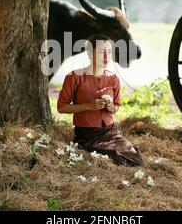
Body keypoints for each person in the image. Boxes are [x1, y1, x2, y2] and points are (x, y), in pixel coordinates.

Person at [57, 34, 143, 166]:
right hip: (87, 135)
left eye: (109, 52)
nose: (106, 57)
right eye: (102, 52)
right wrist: (88, 106)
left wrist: (111, 108)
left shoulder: (113, 78)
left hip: (111, 132)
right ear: (90, 54)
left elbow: (117, 106)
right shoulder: (74, 77)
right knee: (113, 157)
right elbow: (61, 107)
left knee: (134, 157)